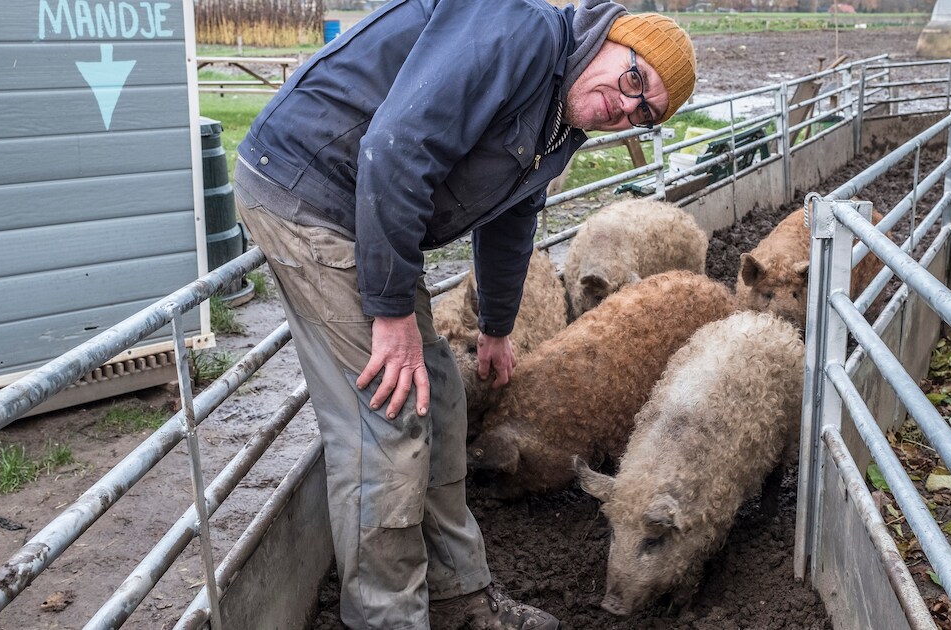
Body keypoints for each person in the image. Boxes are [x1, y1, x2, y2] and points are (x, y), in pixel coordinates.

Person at [232, 0, 695, 627]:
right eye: (634, 79)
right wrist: (392, 312)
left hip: (361, 207)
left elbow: (511, 215)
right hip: (310, 190)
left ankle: (459, 600)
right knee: (388, 419)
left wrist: (497, 327)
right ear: (612, 38)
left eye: (645, 112)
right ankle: (387, 618)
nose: (625, 104)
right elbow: (396, 147)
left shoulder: (560, 124)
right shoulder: (522, 30)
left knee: (443, 400)